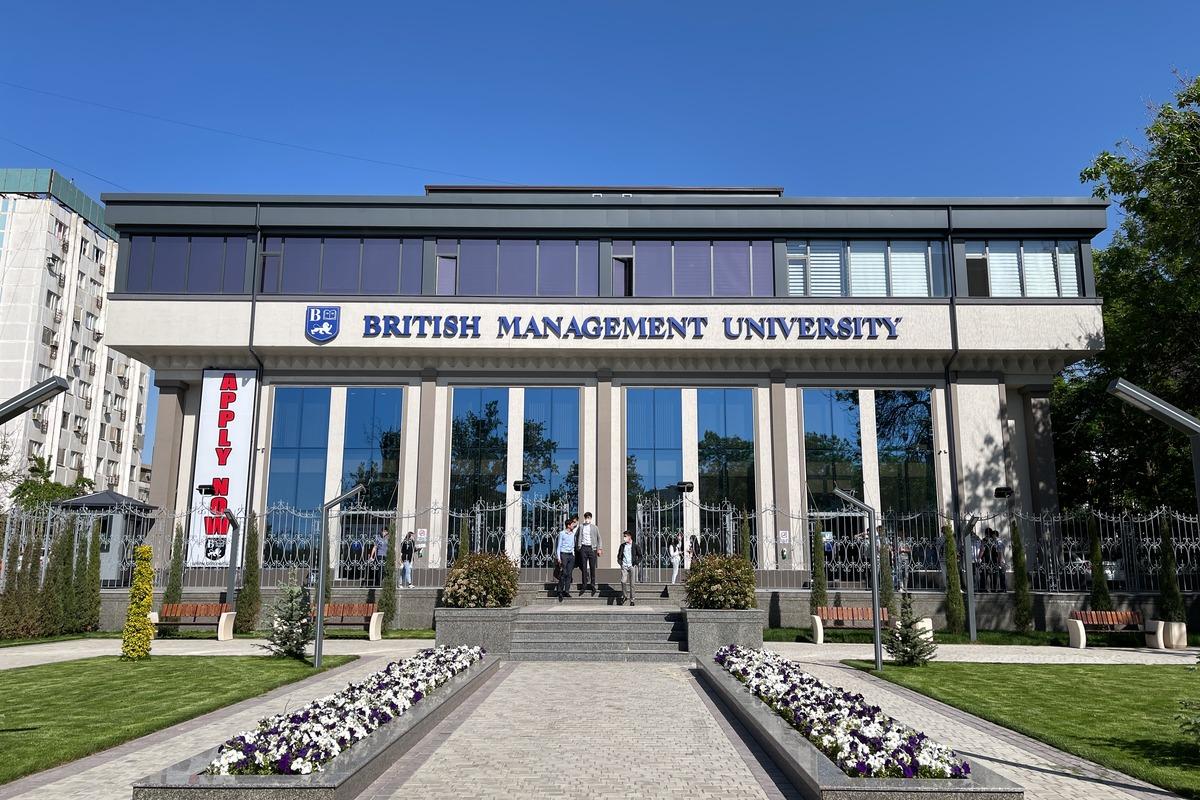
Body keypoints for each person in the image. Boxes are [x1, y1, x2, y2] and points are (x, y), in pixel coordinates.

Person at [575, 511, 603, 595]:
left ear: (591, 518)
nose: (587, 519)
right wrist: (578, 546)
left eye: (589, 518)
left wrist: (599, 548)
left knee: (592, 567)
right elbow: (576, 536)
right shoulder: (581, 527)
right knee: (584, 567)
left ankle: (593, 585)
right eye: (586, 518)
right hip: (583, 548)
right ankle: (584, 585)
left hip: (592, 549)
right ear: (584, 518)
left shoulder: (595, 527)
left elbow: (599, 538)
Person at [616, 530, 642, 606]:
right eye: (624, 536)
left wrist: (636, 563)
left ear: (629, 537)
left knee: (632, 584)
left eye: (625, 536)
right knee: (623, 581)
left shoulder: (635, 545)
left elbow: (640, 556)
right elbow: (619, 556)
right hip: (624, 566)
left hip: (632, 566)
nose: (624, 538)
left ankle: (632, 600)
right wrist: (620, 563)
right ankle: (625, 596)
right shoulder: (622, 546)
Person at [555, 516, 578, 601]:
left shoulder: (573, 534)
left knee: (569, 574)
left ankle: (566, 591)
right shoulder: (562, 533)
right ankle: (560, 591)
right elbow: (559, 546)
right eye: (572, 524)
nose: (573, 526)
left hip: (571, 555)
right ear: (568, 525)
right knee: (563, 573)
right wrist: (558, 557)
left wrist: (573, 555)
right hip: (563, 554)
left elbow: (573, 545)